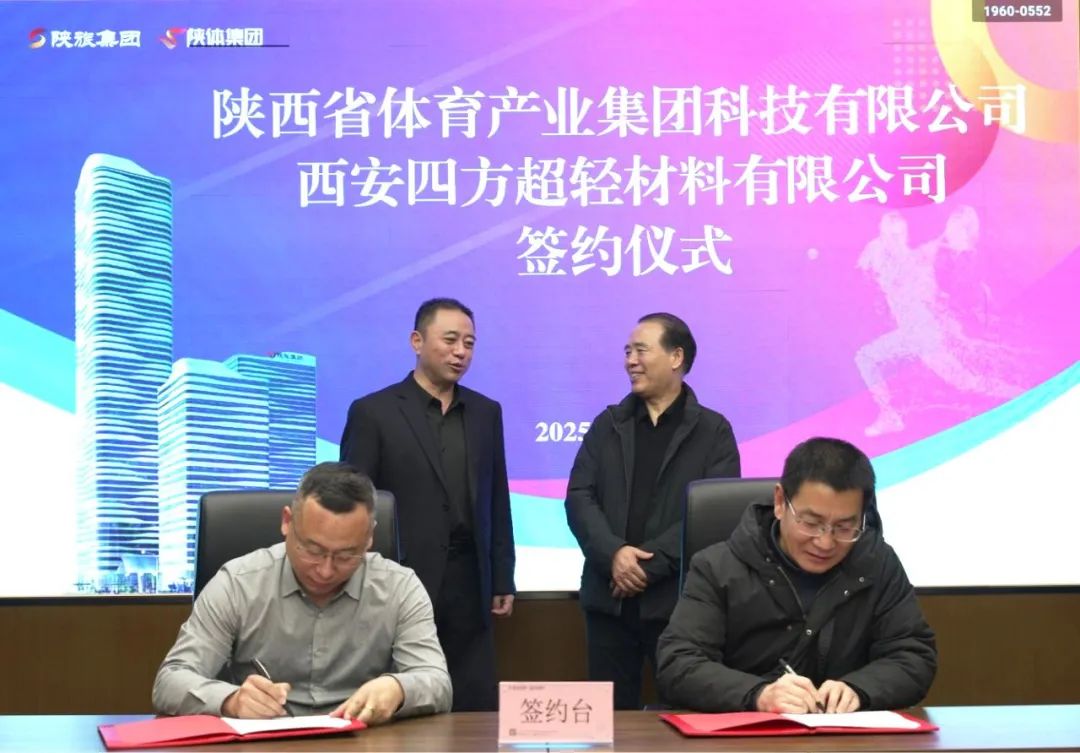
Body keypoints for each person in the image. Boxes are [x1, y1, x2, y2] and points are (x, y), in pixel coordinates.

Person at [152, 462, 452, 721]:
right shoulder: (238, 583)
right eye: (312, 550)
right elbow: (170, 681)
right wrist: (231, 700)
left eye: (346, 555)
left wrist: (398, 689)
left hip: (363, 740)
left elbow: (437, 682)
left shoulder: (400, 587)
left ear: (369, 537)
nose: (325, 570)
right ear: (287, 522)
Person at [656, 437, 937, 713]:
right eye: (811, 523)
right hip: (746, 733)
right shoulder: (718, 567)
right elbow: (678, 663)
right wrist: (758, 695)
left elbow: (913, 656)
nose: (825, 543)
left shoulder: (877, 564)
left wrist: (860, 688)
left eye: (844, 527)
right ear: (780, 502)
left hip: (845, 733)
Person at [339, 298, 515, 712]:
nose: (460, 352)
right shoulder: (373, 412)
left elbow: (497, 497)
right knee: (403, 697)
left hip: (470, 578)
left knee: (473, 701)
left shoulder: (485, 412)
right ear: (417, 341)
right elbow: (352, 502)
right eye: (450, 340)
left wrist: (502, 576)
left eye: (469, 343)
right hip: (399, 578)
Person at [565, 312, 740, 710]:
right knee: (607, 720)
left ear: (676, 357)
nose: (631, 361)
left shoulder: (714, 432)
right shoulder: (608, 424)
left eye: (641, 350)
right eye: (627, 352)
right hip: (608, 601)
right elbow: (579, 497)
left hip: (681, 605)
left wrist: (646, 566)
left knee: (683, 714)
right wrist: (614, 555)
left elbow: (714, 518)